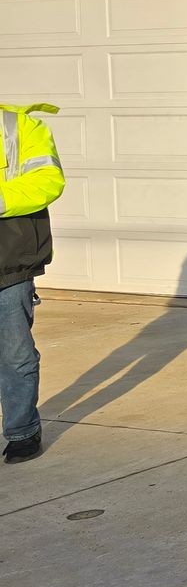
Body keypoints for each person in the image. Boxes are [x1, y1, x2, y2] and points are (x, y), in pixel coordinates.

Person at [2, 102, 66, 464]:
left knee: (14, 353)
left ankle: (22, 430)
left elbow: (47, 180)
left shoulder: (19, 126)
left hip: (7, 256)